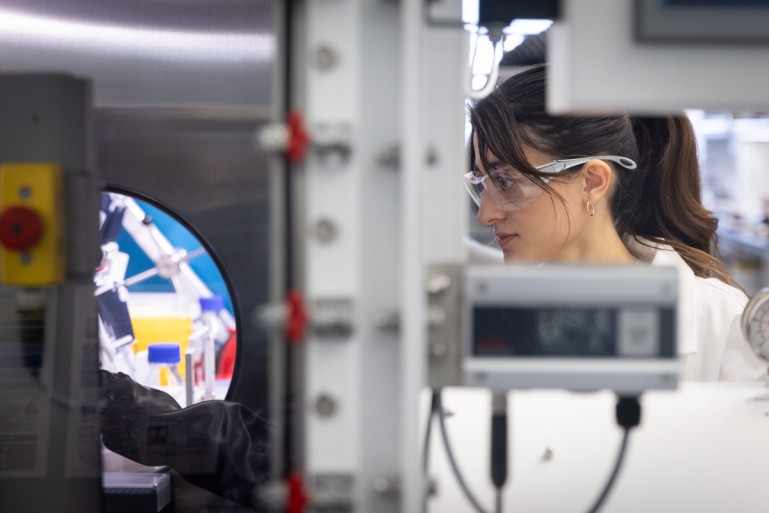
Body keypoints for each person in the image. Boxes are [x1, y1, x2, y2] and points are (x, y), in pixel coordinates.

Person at [465, 63, 767, 382]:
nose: (486, 214)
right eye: (482, 183)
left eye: (505, 180)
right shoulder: (498, 317)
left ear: (593, 182)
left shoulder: (722, 320)